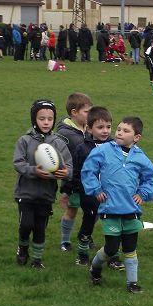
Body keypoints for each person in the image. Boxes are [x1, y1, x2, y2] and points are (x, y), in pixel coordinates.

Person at [81, 116, 153, 294]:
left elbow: (152, 178)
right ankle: (95, 268)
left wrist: (142, 194)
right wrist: (96, 189)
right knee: (111, 248)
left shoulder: (140, 157)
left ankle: (132, 283)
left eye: (125, 131)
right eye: (118, 129)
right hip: (110, 209)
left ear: (136, 137)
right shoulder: (104, 150)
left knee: (130, 248)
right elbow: (88, 171)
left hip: (131, 210)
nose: (119, 133)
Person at [12, 99, 73, 269]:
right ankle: (23, 248)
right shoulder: (24, 140)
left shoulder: (58, 143)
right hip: (26, 193)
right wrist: (34, 171)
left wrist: (66, 173)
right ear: (34, 119)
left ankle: (37, 260)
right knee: (26, 224)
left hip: (46, 195)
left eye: (50, 119)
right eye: (41, 118)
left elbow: (69, 166)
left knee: (40, 227)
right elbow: (18, 163)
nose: (46, 122)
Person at [65, 106, 116, 266]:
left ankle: (113, 257)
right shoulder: (83, 148)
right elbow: (77, 171)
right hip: (89, 195)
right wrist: (70, 190)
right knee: (88, 223)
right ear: (89, 128)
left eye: (108, 127)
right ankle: (82, 254)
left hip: (111, 195)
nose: (105, 131)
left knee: (113, 225)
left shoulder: (115, 146)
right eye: (100, 127)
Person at [55, 92, 92, 252]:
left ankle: (85, 235)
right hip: (74, 180)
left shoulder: (88, 128)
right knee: (72, 210)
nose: (90, 115)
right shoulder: (66, 134)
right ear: (74, 112)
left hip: (90, 179)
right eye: (86, 112)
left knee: (93, 211)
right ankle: (65, 241)